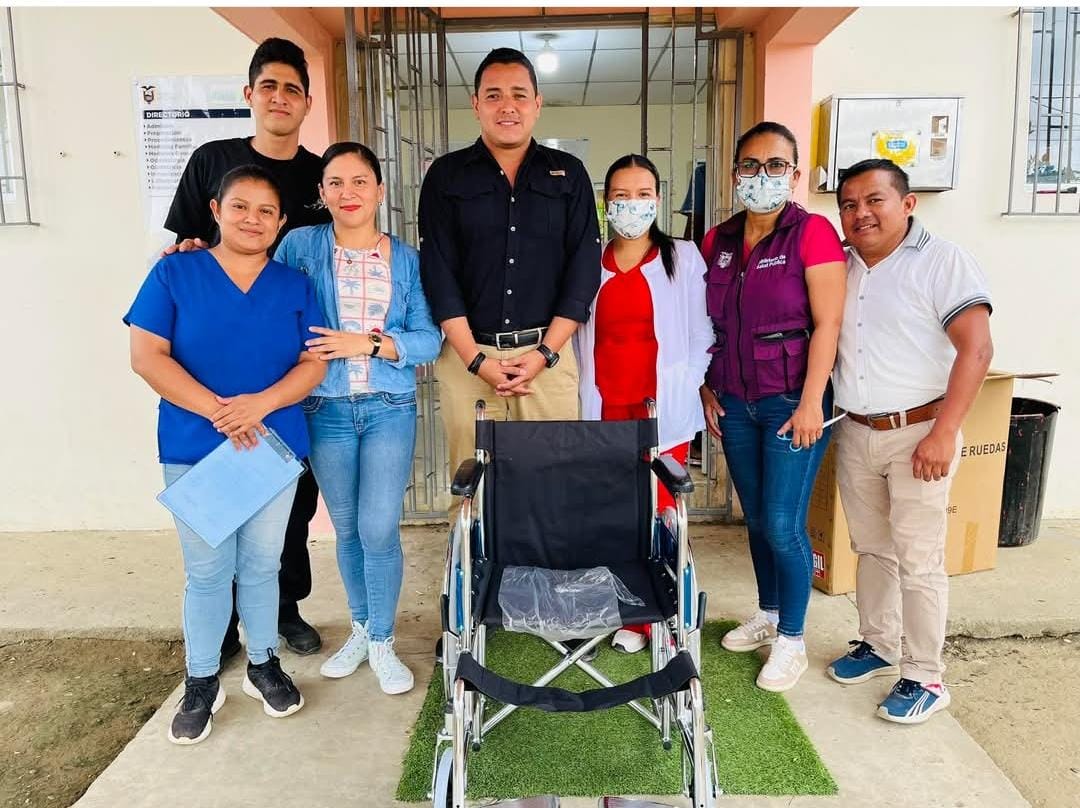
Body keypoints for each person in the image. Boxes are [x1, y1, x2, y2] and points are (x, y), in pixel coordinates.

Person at [124, 165, 326, 744]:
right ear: (215, 210)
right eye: (240, 206)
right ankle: (202, 679)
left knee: (263, 564)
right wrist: (220, 411)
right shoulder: (174, 273)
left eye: (267, 211)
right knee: (208, 570)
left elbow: (313, 362)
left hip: (271, 444)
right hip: (196, 447)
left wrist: (260, 405)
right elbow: (147, 356)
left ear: (281, 223)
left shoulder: (294, 285)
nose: (252, 219)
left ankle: (263, 663)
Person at [164, 37, 332, 658]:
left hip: (290, 365)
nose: (280, 98)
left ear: (307, 102)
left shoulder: (318, 176)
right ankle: (224, 623)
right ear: (249, 95)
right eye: (269, 86)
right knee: (217, 508)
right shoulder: (213, 159)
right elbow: (183, 248)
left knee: (290, 503)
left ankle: (283, 609)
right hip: (213, 368)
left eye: (293, 89)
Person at [825, 159, 993, 724]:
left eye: (875, 200)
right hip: (857, 429)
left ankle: (925, 675)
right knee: (873, 547)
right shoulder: (842, 264)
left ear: (907, 203)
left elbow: (976, 349)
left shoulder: (942, 261)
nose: (861, 213)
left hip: (921, 431)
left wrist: (944, 432)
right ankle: (878, 643)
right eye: (849, 204)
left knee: (920, 558)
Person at [274, 143, 441, 695]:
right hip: (324, 407)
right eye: (336, 183)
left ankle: (384, 641)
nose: (348, 193)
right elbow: (265, 301)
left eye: (360, 181)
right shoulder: (300, 246)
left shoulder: (407, 259)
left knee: (378, 527)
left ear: (379, 191)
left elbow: (429, 340)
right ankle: (363, 629)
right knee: (346, 528)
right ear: (322, 193)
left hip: (388, 406)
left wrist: (367, 343)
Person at [700, 121, 847, 692]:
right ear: (735, 172)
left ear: (794, 173)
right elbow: (704, 325)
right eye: (750, 165)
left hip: (792, 401)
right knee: (758, 518)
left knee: (785, 524)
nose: (762, 176)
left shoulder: (811, 233)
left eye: (775, 165)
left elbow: (828, 324)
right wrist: (706, 387)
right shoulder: (718, 241)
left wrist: (812, 402)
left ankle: (792, 638)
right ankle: (768, 613)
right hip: (735, 402)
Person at [418, 47, 602, 503]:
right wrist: (475, 360)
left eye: (519, 95)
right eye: (494, 95)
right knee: (472, 496)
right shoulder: (446, 176)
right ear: (475, 103)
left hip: (547, 361)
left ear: (537, 103)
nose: (507, 106)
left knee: (551, 494)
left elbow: (583, 270)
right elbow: (438, 273)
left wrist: (544, 354)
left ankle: (546, 559)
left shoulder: (570, 175)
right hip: (468, 359)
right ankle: (475, 555)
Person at [575, 154, 713, 654]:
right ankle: (628, 613)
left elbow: (702, 332)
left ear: (657, 199)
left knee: (663, 515)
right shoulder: (588, 262)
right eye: (621, 196)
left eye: (642, 195)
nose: (631, 205)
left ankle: (666, 614)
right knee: (615, 515)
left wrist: (688, 381)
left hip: (661, 411)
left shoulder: (683, 256)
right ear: (605, 201)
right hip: (606, 407)